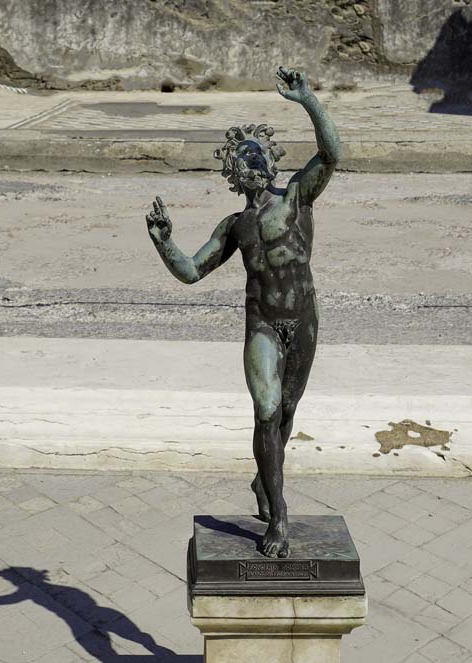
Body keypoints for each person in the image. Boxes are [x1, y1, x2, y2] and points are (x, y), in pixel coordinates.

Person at [146, 67, 340, 558]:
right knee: (266, 411)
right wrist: (165, 242)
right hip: (262, 327)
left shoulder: (296, 198)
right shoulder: (234, 226)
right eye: (242, 157)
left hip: (304, 319)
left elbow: (333, 154)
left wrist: (309, 100)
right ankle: (279, 516)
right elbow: (191, 271)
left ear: (270, 163)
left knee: (287, 413)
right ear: (234, 173)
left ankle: (263, 482)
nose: (252, 161)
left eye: (257, 154)